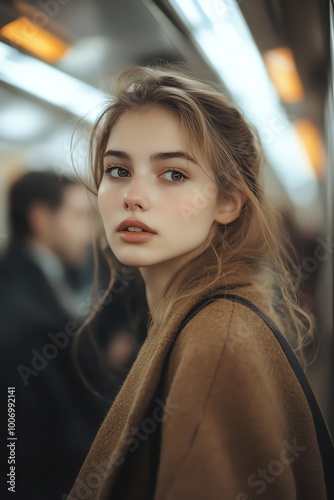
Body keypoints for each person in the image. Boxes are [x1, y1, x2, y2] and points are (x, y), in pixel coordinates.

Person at [68, 65, 328, 500]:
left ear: (227, 201)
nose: (133, 194)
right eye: (117, 170)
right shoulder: (205, 315)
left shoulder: (216, 342)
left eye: (174, 174)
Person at [0, 172, 111, 499]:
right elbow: (16, 438)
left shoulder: (47, 277)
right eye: (79, 216)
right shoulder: (20, 311)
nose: (89, 231)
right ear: (40, 218)